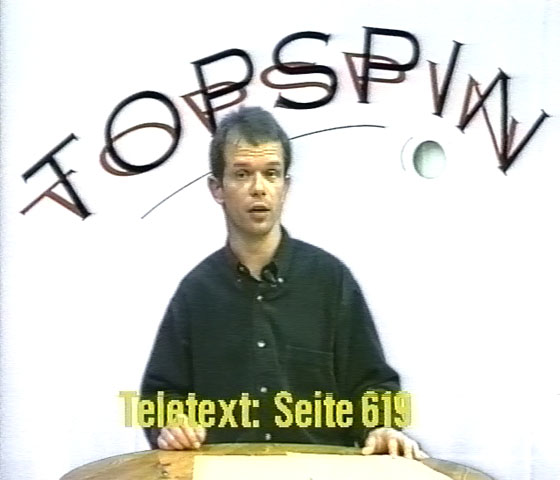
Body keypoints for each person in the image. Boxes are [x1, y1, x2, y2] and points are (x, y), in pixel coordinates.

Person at [140, 106, 427, 460]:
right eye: (242, 174)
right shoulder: (196, 293)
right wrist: (171, 422)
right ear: (217, 188)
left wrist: (380, 426)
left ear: (285, 186)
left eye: (271, 173)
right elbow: (160, 396)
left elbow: (371, 383)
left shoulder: (329, 280)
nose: (258, 188)